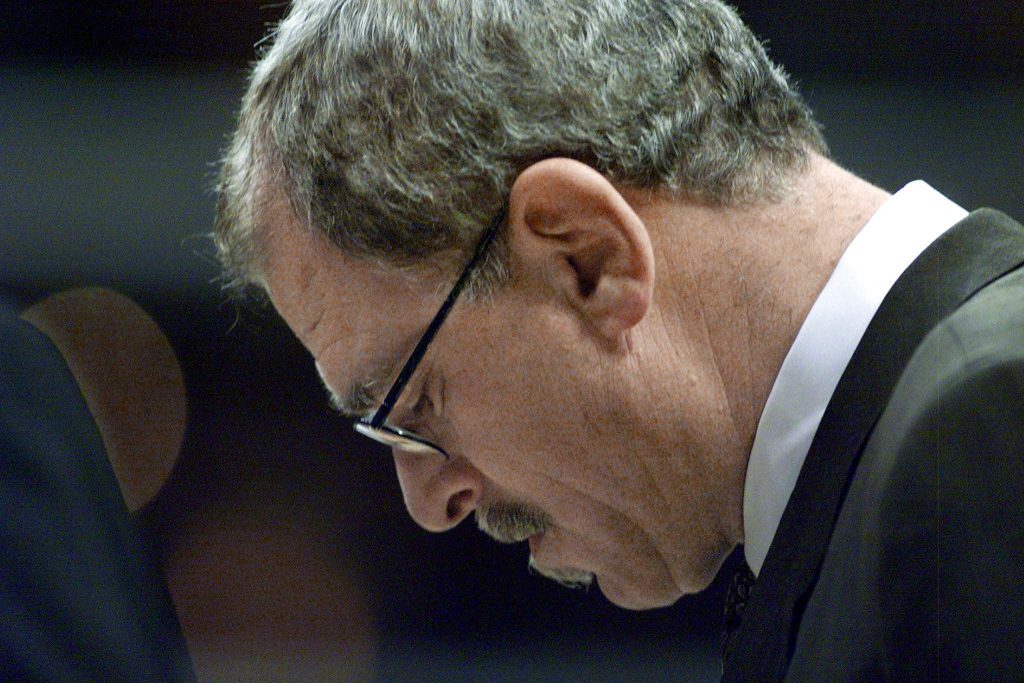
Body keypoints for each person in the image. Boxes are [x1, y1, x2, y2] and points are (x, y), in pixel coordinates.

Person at [212, 1, 1024, 679]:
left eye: (416, 400)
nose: (429, 502)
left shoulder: (983, 438)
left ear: (587, 257)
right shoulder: (914, 468)